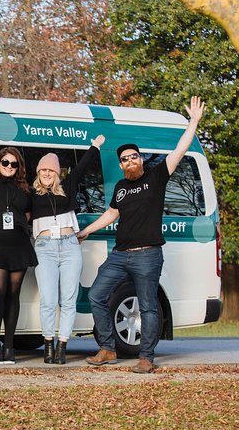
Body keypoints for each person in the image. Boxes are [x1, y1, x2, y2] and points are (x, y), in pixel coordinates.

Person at [78, 96, 205, 374]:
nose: (129, 161)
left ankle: (146, 357)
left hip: (148, 254)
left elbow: (179, 151)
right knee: (97, 295)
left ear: (140, 160)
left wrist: (193, 122)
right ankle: (108, 348)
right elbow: (111, 214)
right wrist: (86, 230)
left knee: (148, 306)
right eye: (125, 159)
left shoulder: (157, 177)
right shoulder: (121, 187)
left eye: (133, 157)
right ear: (122, 165)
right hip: (120, 255)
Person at [31, 136, 105, 364]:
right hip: (45, 249)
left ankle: (63, 345)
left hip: (70, 245)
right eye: (42, 170)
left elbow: (82, 167)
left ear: (57, 173)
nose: (46, 173)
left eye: (50, 170)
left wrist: (94, 147)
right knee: (48, 299)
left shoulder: (68, 187)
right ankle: (48, 346)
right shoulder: (30, 194)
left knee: (69, 299)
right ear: (38, 172)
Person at [0, 147, 37, 364]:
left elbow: (29, 213)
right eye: (5, 162)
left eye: (14, 164)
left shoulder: (24, 188)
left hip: (18, 245)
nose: (9, 167)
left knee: (13, 294)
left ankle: (9, 346)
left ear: (19, 167)